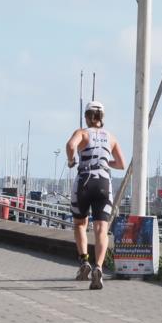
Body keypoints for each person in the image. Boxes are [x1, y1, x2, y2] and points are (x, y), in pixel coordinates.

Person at [65, 101, 126, 290]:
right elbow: (121, 164)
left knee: (80, 224)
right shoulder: (111, 137)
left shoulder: (82, 133)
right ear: (102, 118)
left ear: (87, 117)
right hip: (103, 182)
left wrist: (71, 160)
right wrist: (106, 161)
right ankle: (99, 267)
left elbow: (70, 145)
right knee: (101, 228)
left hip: (84, 179)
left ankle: (84, 262)